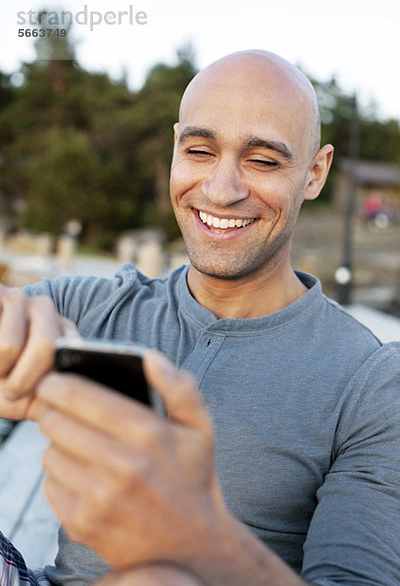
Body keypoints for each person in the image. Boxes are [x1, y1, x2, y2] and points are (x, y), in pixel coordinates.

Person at [0, 49, 399, 586]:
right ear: (175, 148)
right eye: (200, 150)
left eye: (263, 161)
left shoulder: (372, 385)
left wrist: (204, 544)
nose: (220, 189)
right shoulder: (86, 307)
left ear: (315, 172)